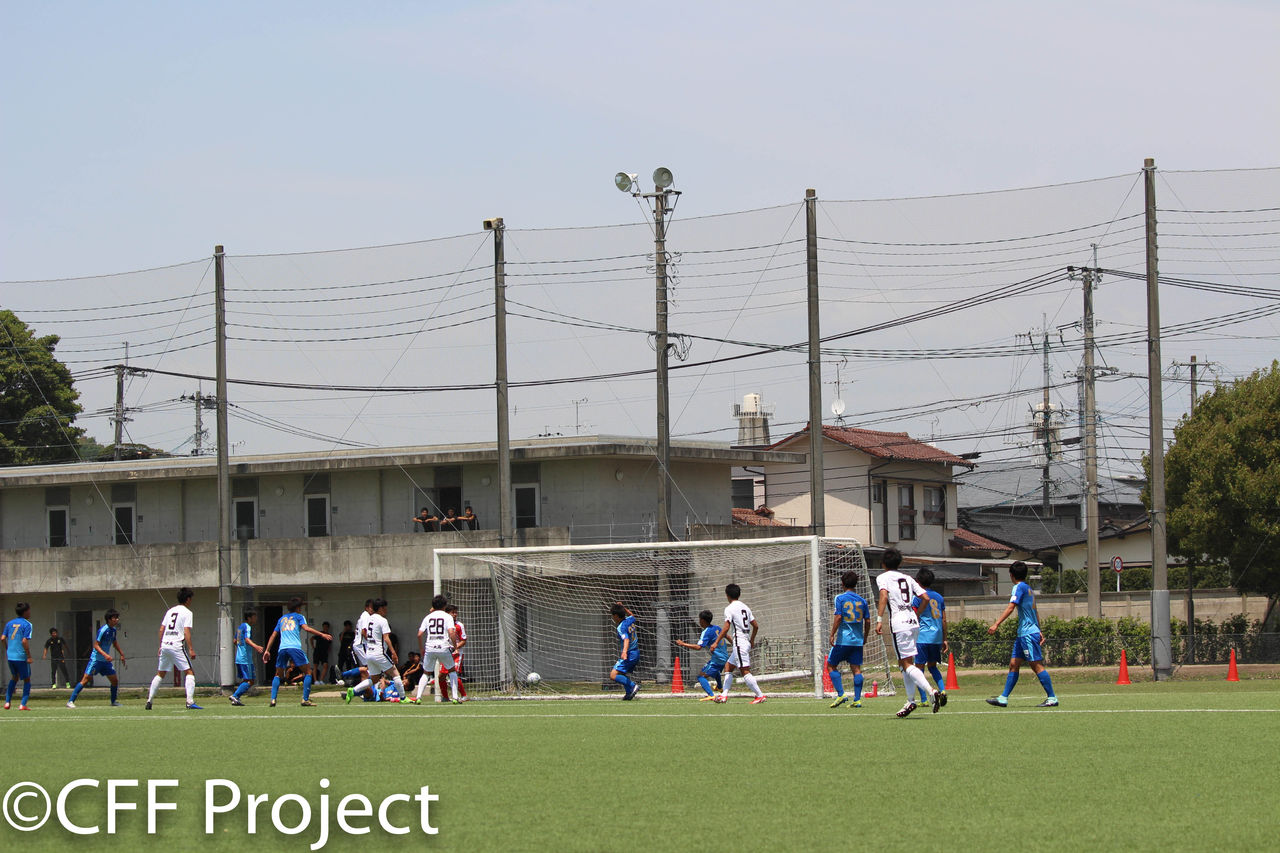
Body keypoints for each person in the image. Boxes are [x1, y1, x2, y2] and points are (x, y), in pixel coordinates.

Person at [875, 548, 943, 718]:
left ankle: (931, 691)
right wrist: (917, 614)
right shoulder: (908, 578)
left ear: (883, 563)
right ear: (899, 563)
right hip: (913, 623)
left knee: (906, 664)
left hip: (899, 624)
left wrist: (879, 619)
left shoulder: (883, 577)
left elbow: (883, 596)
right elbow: (925, 597)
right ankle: (911, 700)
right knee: (904, 662)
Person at [986, 562, 1059, 708]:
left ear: (1011, 575)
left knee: (1036, 665)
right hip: (1024, 634)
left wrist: (996, 624)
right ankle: (1003, 698)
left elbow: (1011, 607)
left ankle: (1052, 697)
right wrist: (1039, 629)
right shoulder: (1029, 589)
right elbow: (1035, 611)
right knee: (1014, 664)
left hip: (1028, 634)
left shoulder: (1018, 587)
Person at [263, 597, 331, 707]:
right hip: (294, 648)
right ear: (298, 608)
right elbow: (306, 628)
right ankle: (305, 699)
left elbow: (273, 635)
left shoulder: (281, 619)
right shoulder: (299, 617)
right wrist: (322, 634)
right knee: (308, 672)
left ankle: (273, 699)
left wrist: (267, 650)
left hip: (282, 648)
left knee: (278, 674)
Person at [711, 584, 766, 704]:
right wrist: (752, 640)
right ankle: (724, 695)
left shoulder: (729, 608)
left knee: (744, 670)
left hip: (739, 643)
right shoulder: (745, 607)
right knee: (728, 666)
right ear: (739, 594)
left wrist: (716, 642)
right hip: (745, 641)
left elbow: (726, 627)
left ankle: (760, 695)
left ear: (727, 595)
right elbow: (755, 626)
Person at [147, 587, 200, 710]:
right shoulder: (187, 612)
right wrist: (191, 649)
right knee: (189, 672)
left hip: (165, 645)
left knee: (160, 673)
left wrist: (160, 645)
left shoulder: (170, 611)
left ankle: (149, 700)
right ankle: (190, 701)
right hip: (176, 645)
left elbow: (161, 629)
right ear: (188, 599)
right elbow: (186, 631)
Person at [347, 598, 407, 704]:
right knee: (395, 674)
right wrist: (393, 652)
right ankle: (403, 698)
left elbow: (364, 631)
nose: (386, 610)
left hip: (369, 653)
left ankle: (353, 690)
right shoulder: (382, 620)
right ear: (380, 608)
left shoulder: (369, 619)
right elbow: (386, 638)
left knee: (374, 679)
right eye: (385, 608)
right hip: (379, 652)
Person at [827, 570, 870, 709]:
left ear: (842, 584)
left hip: (843, 640)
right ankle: (857, 700)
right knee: (856, 669)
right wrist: (865, 636)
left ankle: (841, 694)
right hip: (857, 641)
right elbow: (868, 621)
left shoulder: (840, 598)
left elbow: (838, 617)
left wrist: (832, 634)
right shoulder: (862, 601)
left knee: (831, 665)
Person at [68, 609, 126, 708]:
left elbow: (114, 643)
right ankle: (70, 701)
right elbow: (96, 645)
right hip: (96, 660)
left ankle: (113, 701)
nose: (117, 619)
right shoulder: (103, 630)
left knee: (114, 680)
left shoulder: (113, 631)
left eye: (117, 618)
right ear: (109, 619)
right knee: (85, 680)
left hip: (105, 662)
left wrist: (121, 654)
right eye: (115, 618)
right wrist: (105, 655)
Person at [413, 595, 461, 703]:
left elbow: (419, 634)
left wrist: (421, 648)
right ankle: (455, 697)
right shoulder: (447, 617)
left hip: (430, 647)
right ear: (444, 606)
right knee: (452, 671)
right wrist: (455, 647)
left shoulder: (428, 617)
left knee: (426, 673)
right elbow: (451, 632)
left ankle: (418, 697)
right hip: (443, 647)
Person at [911, 568, 949, 705]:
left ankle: (923, 699)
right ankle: (943, 690)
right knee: (932, 667)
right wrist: (945, 638)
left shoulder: (918, 597)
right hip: (936, 637)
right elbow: (944, 620)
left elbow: (914, 616)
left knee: (918, 669)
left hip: (922, 637)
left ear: (917, 582)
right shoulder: (939, 597)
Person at [674, 610, 728, 700]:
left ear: (702, 620)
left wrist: (683, 644)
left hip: (718, 658)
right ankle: (719, 687)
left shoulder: (706, 632)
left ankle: (711, 695)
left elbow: (698, 647)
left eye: (699, 619)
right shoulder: (717, 627)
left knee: (701, 676)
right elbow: (726, 636)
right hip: (724, 656)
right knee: (714, 670)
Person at [229, 608, 264, 706]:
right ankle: (235, 696)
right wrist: (256, 646)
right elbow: (247, 639)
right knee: (250, 680)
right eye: (254, 616)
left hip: (239, 658)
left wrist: (241, 648)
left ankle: (236, 699)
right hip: (245, 659)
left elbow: (235, 641)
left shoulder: (240, 627)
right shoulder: (247, 627)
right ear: (249, 618)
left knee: (247, 680)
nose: (256, 618)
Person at [3, 602, 34, 711]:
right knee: (27, 679)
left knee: (14, 677)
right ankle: (23, 704)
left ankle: (7, 702)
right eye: (29, 610)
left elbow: (2, 638)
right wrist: (29, 656)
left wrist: (7, 649)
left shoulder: (9, 623)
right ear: (25, 612)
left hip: (10, 656)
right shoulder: (27, 624)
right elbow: (24, 641)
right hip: (21, 656)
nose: (30, 612)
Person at [608, 601, 641, 701]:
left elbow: (626, 639)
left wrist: (624, 652)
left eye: (613, 616)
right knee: (621, 673)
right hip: (636, 652)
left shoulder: (621, 627)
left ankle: (633, 686)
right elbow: (632, 615)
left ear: (616, 616)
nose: (613, 618)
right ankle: (628, 693)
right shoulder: (629, 620)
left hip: (630, 653)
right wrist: (623, 607)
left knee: (613, 675)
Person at [437, 604, 468, 702]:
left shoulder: (459, 625)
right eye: (452, 613)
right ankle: (445, 697)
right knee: (441, 676)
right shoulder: (443, 624)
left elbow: (463, 640)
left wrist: (455, 647)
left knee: (453, 674)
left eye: (456, 612)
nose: (455, 614)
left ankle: (464, 695)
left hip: (456, 654)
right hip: (446, 653)